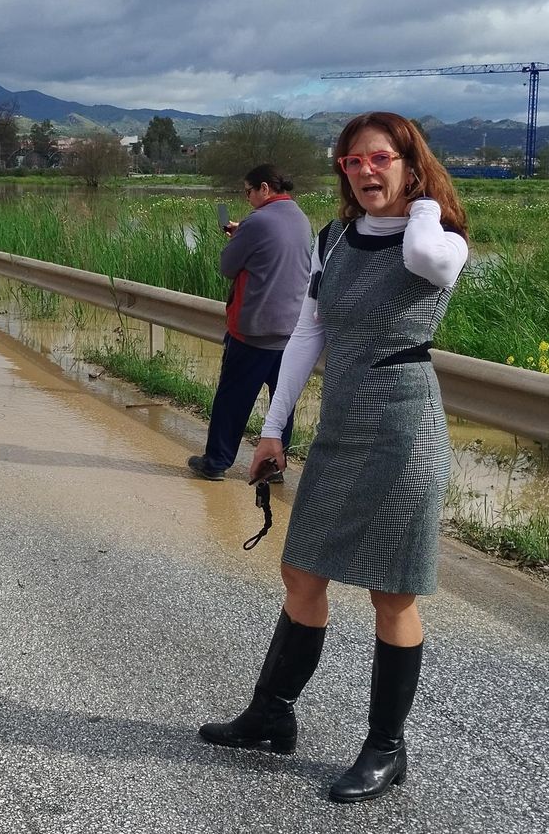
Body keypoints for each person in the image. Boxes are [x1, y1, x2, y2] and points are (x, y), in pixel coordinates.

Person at [198, 112, 470, 804]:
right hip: (344, 425)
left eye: (380, 159)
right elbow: (306, 334)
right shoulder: (335, 238)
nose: (364, 172)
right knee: (300, 570)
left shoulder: (439, 237)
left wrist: (422, 203)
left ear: (411, 164)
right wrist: (274, 429)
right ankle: (272, 713)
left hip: (405, 428)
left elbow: (429, 262)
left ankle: (386, 748)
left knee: (391, 590)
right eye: (352, 162)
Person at [186, 164, 312, 482]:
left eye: (248, 191)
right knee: (281, 404)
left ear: (264, 188)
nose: (247, 198)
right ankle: (272, 468)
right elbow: (273, 248)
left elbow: (228, 266)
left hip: (254, 331)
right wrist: (243, 232)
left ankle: (216, 463)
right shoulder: (300, 217)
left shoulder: (257, 221)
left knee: (233, 400)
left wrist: (239, 235)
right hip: (291, 331)